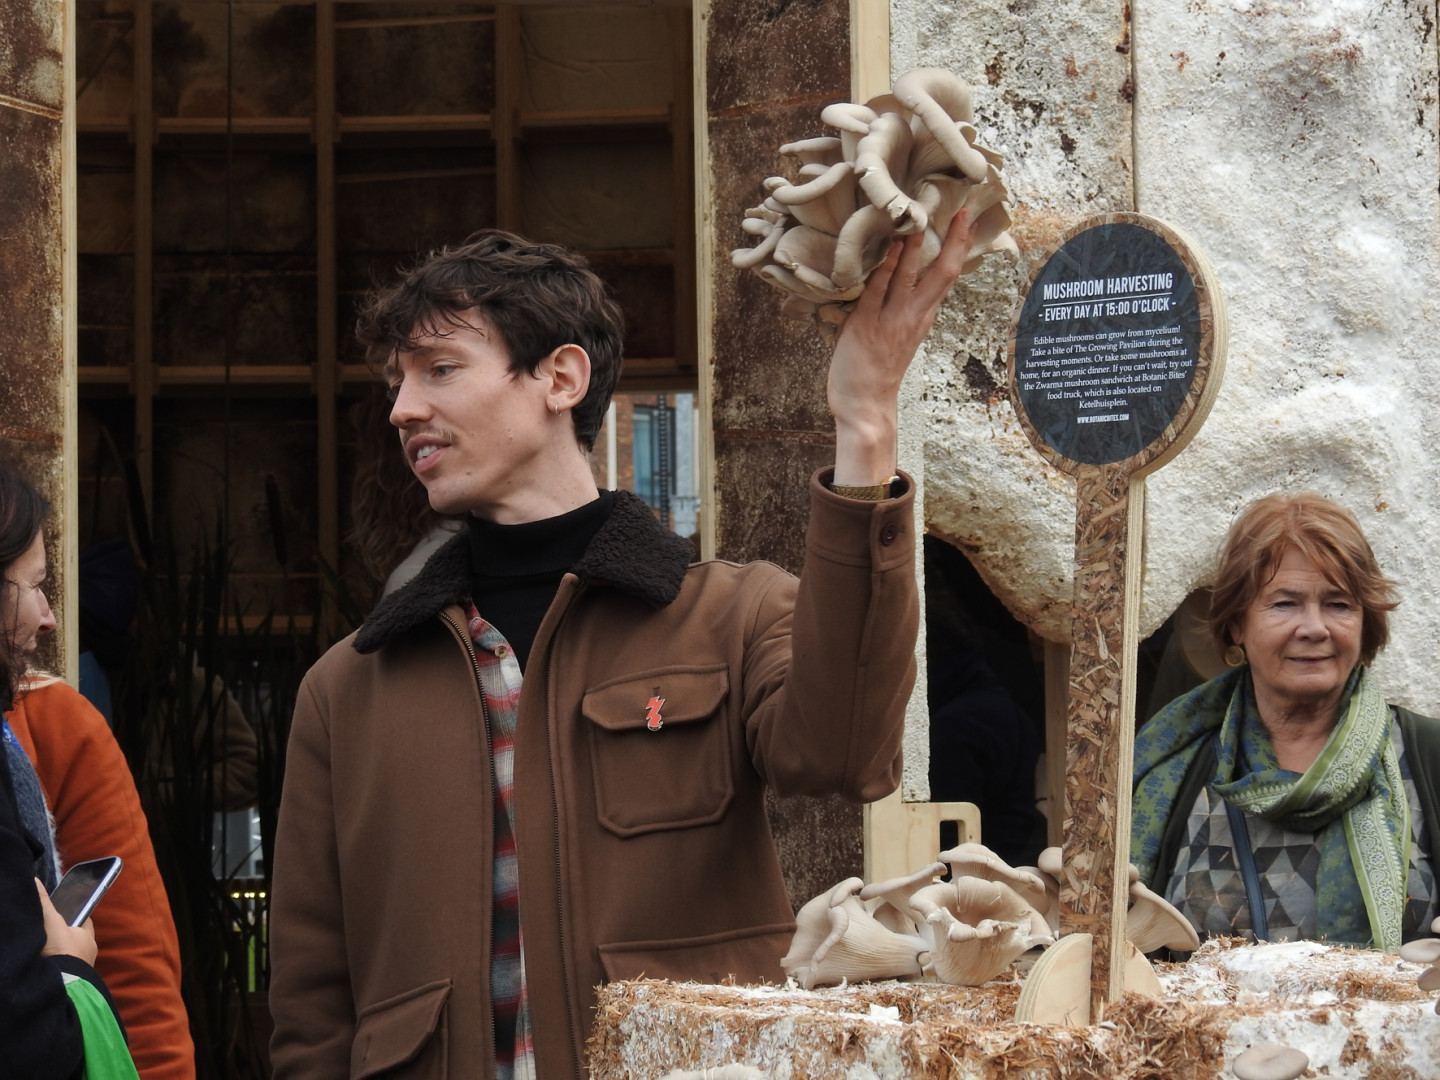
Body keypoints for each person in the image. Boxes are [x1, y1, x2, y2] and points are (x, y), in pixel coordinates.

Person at [268, 215, 976, 1080]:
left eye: (441, 370)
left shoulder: (732, 617)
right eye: (398, 382)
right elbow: (312, 1008)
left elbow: (844, 756)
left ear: (560, 377)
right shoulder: (345, 692)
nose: (404, 407)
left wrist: (865, 421)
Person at [1131, 491, 1440, 951]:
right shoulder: (1177, 768)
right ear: (1237, 623)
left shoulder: (1428, 758)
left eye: (1338, 604)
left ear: (1365, 622)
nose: (1314, 627)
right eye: (1284, 604)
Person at [0, 466, 193, 1080]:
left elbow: (135, 963)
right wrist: (68, 970)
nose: (51, 617)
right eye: (33, 585)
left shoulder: (55, 723)